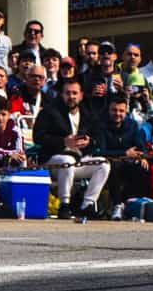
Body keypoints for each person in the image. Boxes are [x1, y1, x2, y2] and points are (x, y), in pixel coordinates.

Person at [32, 78, 110, 220]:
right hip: (53, 160)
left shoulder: (87, 113)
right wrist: (63, 141)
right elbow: (38, 137)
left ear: (81, 95)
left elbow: (98, 137)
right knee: (67, 160)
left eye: (75, 93)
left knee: (103, 164)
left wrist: (89, 141)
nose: (71, 97)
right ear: (61, 94)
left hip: (79, 159)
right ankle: (64, 205)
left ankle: (87, 205)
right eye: (67, 93)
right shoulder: (49, 111)